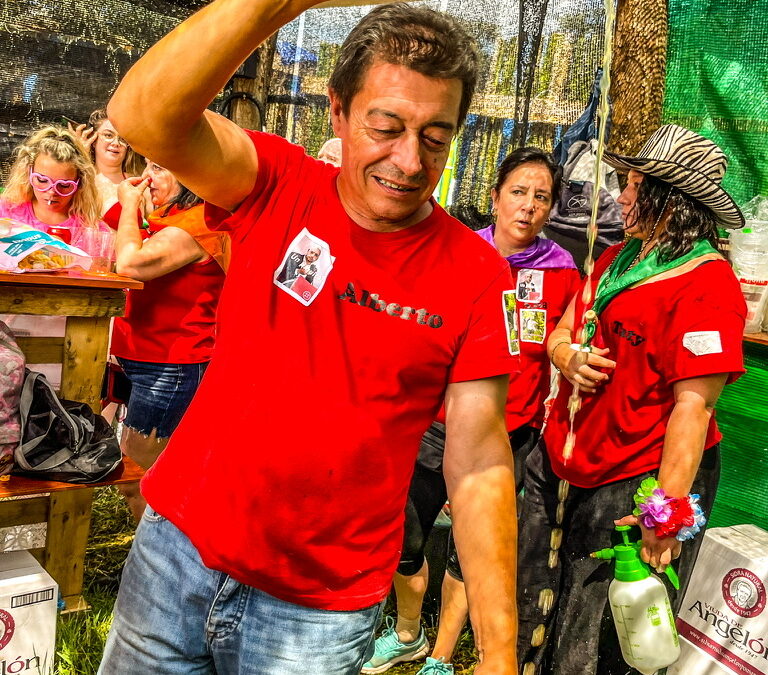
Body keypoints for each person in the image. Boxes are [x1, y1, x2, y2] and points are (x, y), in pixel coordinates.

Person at [101, 3, 520, 674]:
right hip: (175, 553)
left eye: (436, 138)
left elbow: (478, 463)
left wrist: (500, 655)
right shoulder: (276, 182)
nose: (410, 161)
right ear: (338, 112)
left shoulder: (475, 274)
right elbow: (145, 116)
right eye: (387, 127)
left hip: (319, 611)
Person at [517, 124, 747, 674]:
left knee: (595, 627)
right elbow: (564, 330)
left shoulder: (707, 286)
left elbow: (694, 410)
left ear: (674, 200)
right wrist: (566, 354)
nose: (620, 197)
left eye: (635, 185)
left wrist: (662, 518)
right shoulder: (616, 258)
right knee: (539, 592)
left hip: (634, 477)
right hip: (564, 459)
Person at [362, 148, 579, 675]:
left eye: (541, 197)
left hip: (511, 433)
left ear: (551, 209)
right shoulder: (457, 253)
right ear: (495, 197)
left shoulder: (562, 271)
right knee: (403, 533)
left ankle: (438, 658)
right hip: (437, 424)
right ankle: (408, 631)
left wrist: (570, 352)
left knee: (470, 549)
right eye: (518, 192)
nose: (528, 206)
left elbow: (561, 338)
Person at [110, 160, 229, 523]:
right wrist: (132, 208)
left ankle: (159, 555)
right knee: (135, 470)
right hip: (141, 356)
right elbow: (103, 237)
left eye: (160, 168)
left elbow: (129, 264)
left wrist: (131, 206)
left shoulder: (197, 223)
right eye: (146, 165)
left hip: (171, 364)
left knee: (140, 471)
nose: (147, 177)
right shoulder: (170, 213)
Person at [0, 124, 107, 253]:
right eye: (42, 180)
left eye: (64, 185)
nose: (52, 192)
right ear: (28, 172)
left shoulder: (92, 230)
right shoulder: (7, 212)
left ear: (80, 183)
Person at [70, 108, 145, 215]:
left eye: (122, 139)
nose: (116, 143)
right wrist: (80, 156)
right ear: (93, 139)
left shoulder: (139, 183)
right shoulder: (78, 180)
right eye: (108, 135)